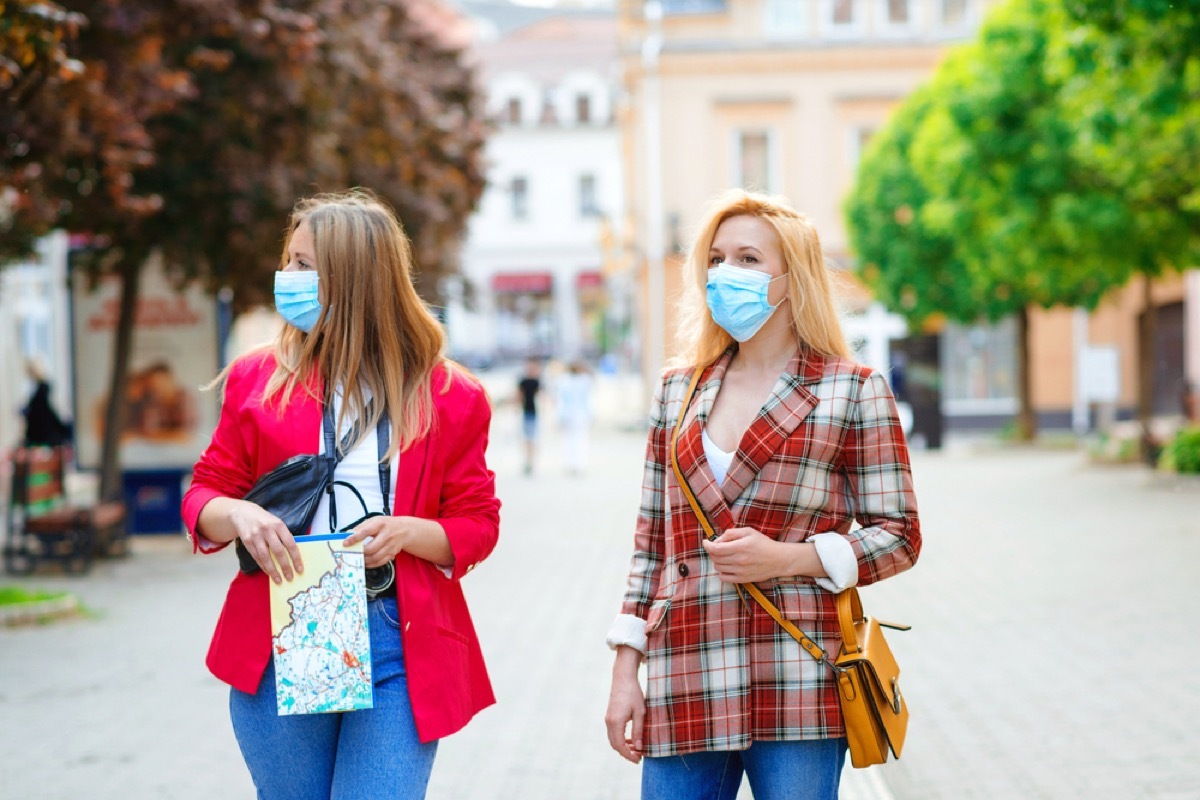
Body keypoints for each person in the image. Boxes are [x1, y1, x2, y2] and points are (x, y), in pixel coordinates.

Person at [182, 190, 501, 800]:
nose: (288, 277)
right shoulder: (258, 378)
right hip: (290, 618)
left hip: (395, 634)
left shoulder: (450, 395)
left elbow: (477, 523)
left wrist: (409, 531)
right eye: (290, 260)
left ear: (355, 280)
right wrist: (242, 514)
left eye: (306, 266)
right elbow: (204, 494)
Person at [603, 190, 921, 800]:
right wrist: (625, 671)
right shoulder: (678, 390)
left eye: (748, 258)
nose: (726, 274)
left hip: (797, 670)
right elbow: (650, 549)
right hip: (685, 668)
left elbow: (901, 534)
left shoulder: (850, 390)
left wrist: (791, 558)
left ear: (789, 277)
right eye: (716, 259)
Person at [555, 359, 593, 475]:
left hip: (568, 414)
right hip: (581, 414)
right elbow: (587, 400)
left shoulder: (563, 381)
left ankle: (570, 463)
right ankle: (579, 464)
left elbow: (560, 400)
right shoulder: (585, 381)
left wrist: (559, 415)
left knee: (568, 440)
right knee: (580, 439)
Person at [22, 359, 71, 447]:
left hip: (44, 433)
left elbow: (43, 411)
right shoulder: (40, 388)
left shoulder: (42, 388)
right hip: (43, 432)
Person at [516, 358, 542, 474]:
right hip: (527, 412)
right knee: (528, 438)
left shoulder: (536, 382)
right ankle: (529, 460)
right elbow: (519, 396)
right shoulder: (524, 381)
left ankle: (530, 461)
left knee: (531, 438)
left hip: (533, 412)